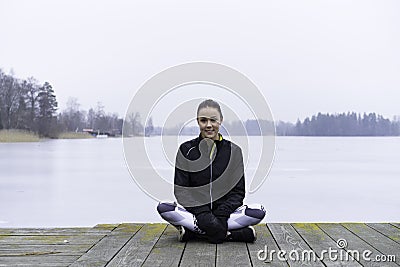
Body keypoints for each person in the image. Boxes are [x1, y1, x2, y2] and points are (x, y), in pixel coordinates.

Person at [157, 99, 266, 243]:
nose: (209, 125)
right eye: (203, 120)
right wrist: (203, 214)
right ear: (198, 121)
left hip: (226, 214)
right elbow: (181, 191)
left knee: (258, 211)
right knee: (164, 208)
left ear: (221, 120)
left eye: (213, 120)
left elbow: (238, 192)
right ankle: (230, 234)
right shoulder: (186, 150)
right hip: (196, 213)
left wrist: (220, 215)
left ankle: (195, 232)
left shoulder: (234, 151)